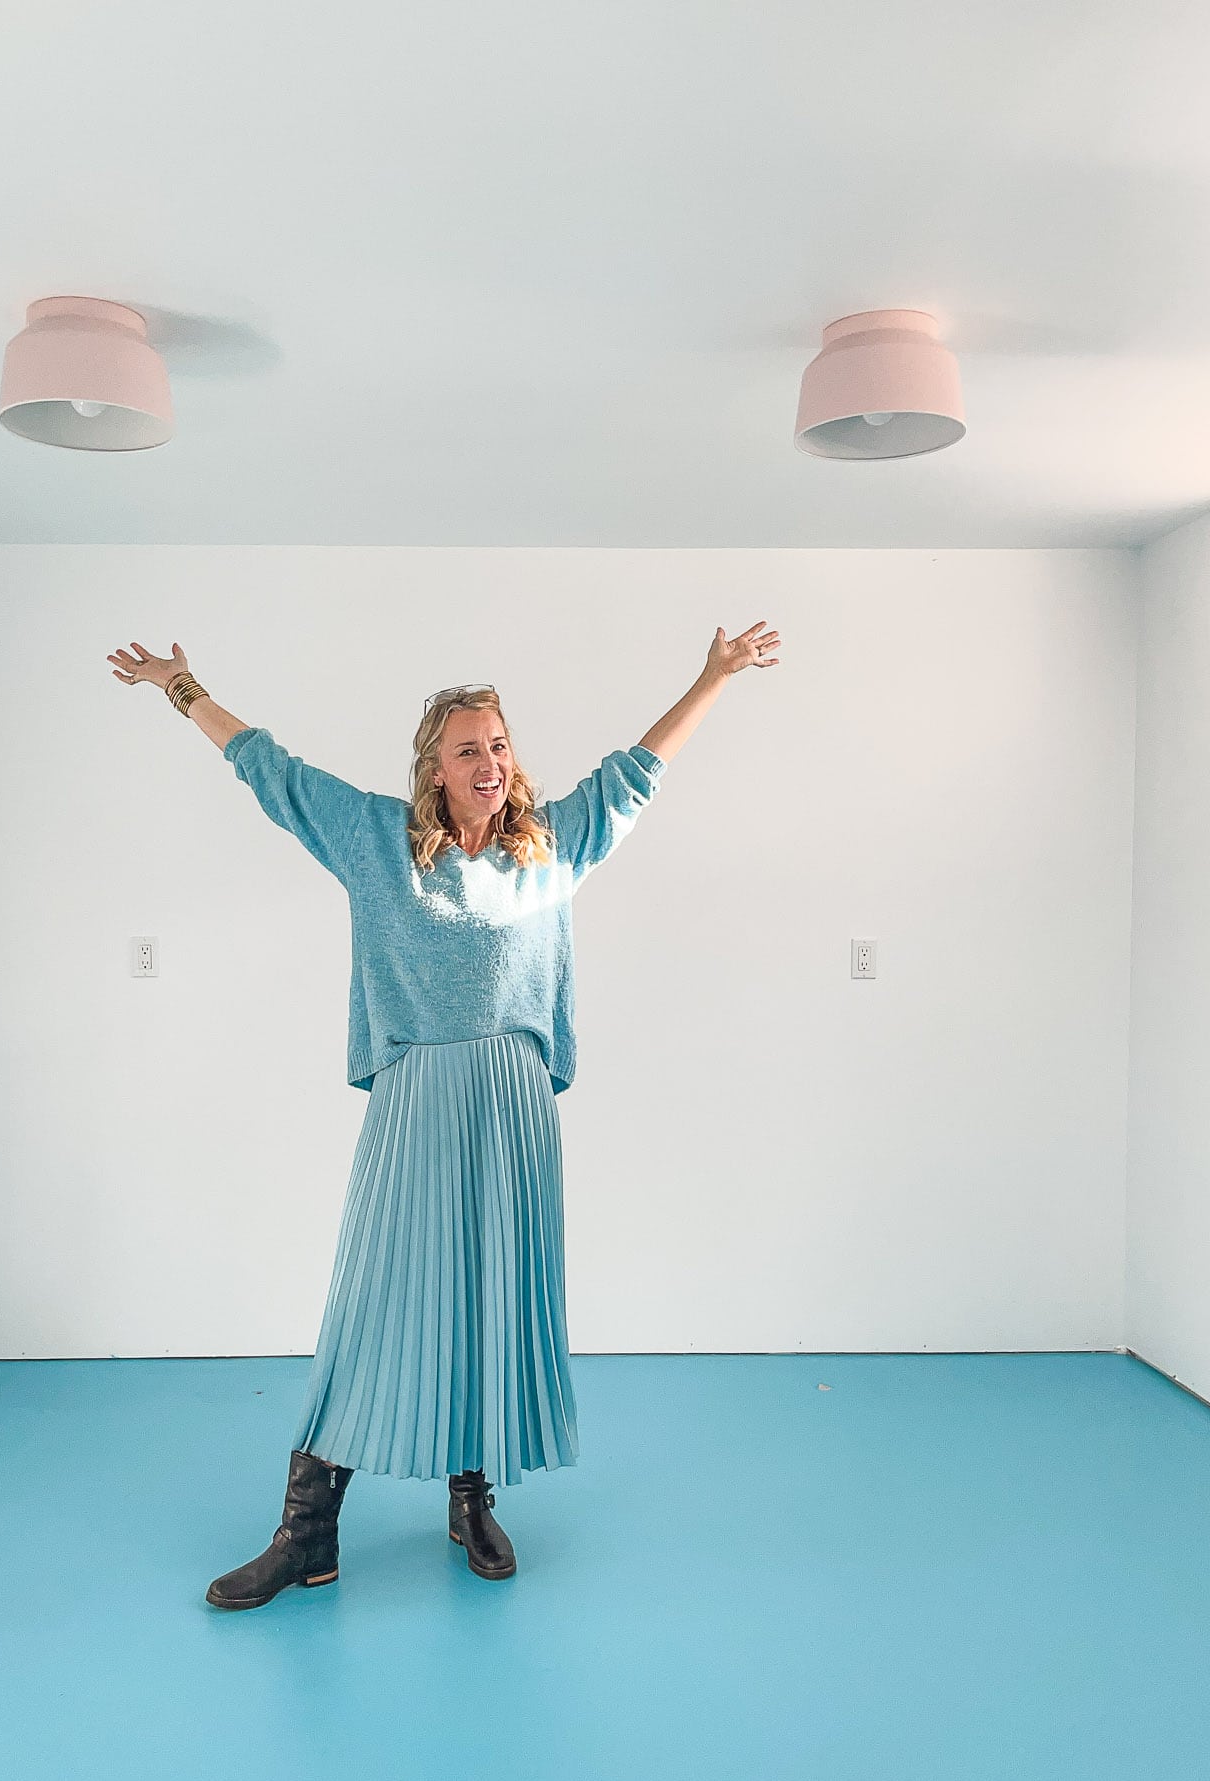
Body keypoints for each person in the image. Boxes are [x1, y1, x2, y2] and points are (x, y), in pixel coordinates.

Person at [106, 623, 780, 1609]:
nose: (490, 762)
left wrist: (712, 677)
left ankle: (471, 1501)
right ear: (433, 767)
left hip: (511, 1107)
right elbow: (272, 771)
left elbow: (638, 770)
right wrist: (183, 687)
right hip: (418, 1100)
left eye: (499, 744)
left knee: (486, 1304)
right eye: (468, 748)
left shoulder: (552, 846)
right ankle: (308, 1536)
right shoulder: (379, 842)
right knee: (369, 1310)